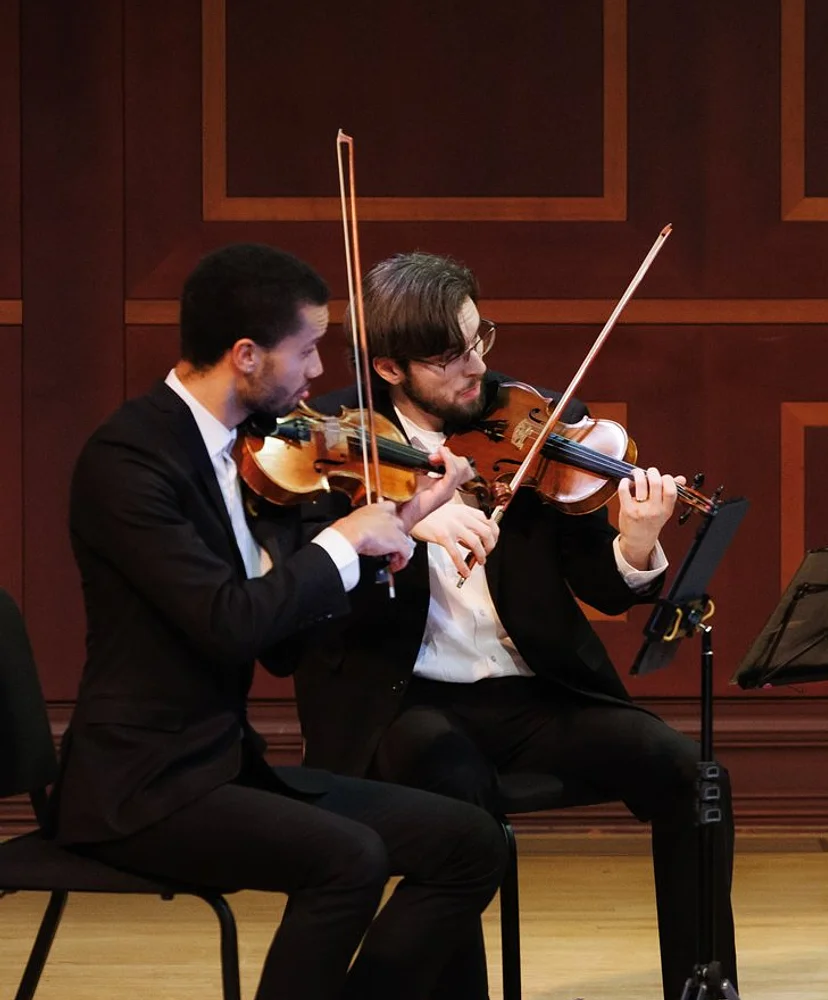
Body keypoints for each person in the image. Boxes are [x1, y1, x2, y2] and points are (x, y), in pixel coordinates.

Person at [55, 242, 504, 1000]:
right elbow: (228, 625)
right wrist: (343, 542)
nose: (319, 372)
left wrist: (391, 531)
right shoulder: (132, 460)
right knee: (350, 860)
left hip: (225, 766)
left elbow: (284, 646)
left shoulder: (251, 456)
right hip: (142, 786)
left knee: (470, 843)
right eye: (306, 350)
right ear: (247, 356)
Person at [280, 250, 737, 994]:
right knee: (457, 805)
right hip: (402, 703)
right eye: (449, 356)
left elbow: (601, 585)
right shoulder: (330, 439)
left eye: (478, 339)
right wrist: (399, 521)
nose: (476, 367)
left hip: (535, 694)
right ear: (390, 368)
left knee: (694, 775)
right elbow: (296, 593)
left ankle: (704, 990)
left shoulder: (530, 422)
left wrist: (638, 540)